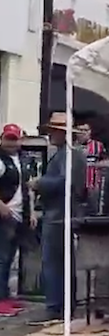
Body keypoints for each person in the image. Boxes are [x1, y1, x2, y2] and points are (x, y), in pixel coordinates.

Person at [28, 112, 87, 324]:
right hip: (58, 211)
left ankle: (56, 306)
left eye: (54, 131)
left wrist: (40, 183)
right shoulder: (65, 153)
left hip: (60, 213)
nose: (50, 134)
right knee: (59, 262)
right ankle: (61, 304)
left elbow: (66, 182)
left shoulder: (71, 154)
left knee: (54, 261)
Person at [0, 124, 35, 315]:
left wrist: (31, 211)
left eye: (14, 139)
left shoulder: (22, 160)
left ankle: (5, 296)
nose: (11, 143)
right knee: (2, 258)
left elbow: (26, 187)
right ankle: (0, 298)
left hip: (19, 214)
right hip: (5, 214)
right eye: (8, 139)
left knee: (10, 258)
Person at [76, 123, 104, 193]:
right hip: (76, 186)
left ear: (90, 131)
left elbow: (105, 162)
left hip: (93, 186)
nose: (83, 133)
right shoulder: (72, 147)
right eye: (80, 130)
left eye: (85, 130)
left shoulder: (98, 145)